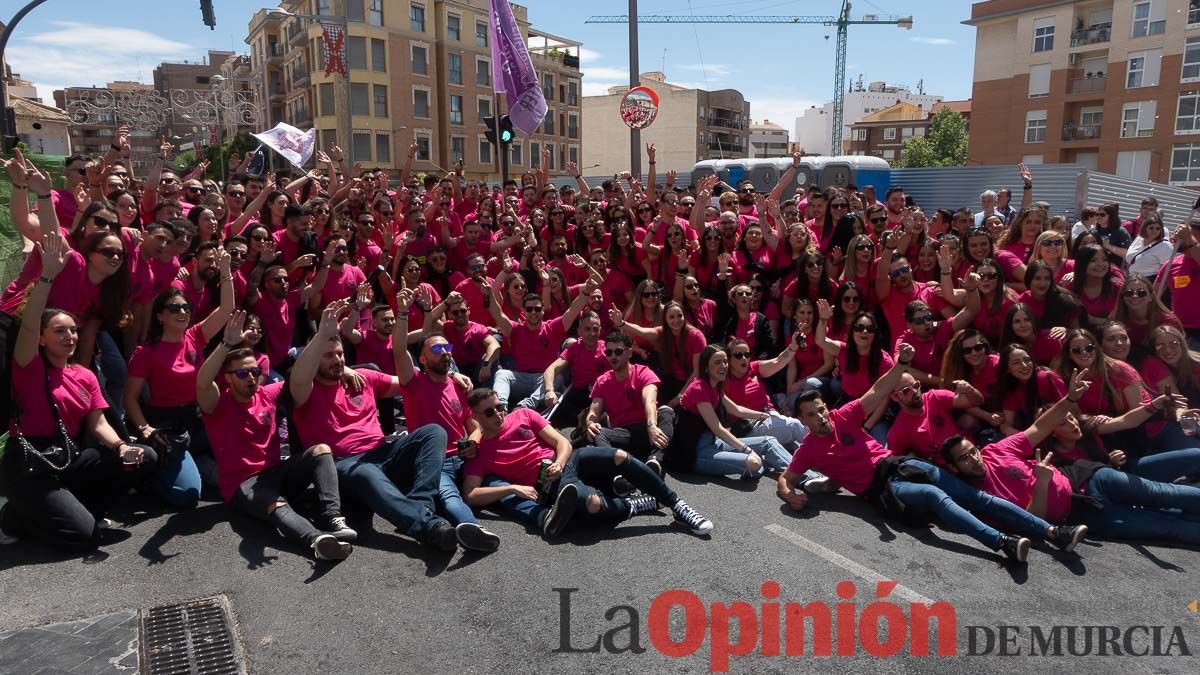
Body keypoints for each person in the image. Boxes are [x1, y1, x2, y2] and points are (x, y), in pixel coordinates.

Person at [777, 343, 1086, 563]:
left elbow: (878, 391)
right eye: (812, 415)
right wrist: (790, 494)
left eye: (821, 410)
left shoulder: (844, 414)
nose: (820, 418)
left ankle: (1053, 532)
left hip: (901, 464)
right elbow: (785, 479)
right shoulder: (808, 450)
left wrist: (899, 366)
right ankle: (1000, 542)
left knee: (976, 497)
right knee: (935, 496)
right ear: (802, 420)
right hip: (883, 486)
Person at [0, 232, 156, 552]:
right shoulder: (28, 365)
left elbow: (98, 424)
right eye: (59, 331)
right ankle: (16, 514)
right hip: (32, 464)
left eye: (73, 330)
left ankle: (74, 508)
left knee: (145, 457)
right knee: (83, 537)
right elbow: (29, 324)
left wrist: (121, 447)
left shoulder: (84, 374)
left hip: (67, 456)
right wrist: (47, 276)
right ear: (42, 339)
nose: (70, 336)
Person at [289, 301, 469, 554]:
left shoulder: (365, 379)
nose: (337, 360)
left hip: (382, 453)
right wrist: (321, 336)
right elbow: (299, 375)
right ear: (314, 359)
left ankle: (421, 502)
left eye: (340, 354)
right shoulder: (304, 392)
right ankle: (429, 527)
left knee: (433, 432)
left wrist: (451, 375)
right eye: (328, 356)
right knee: (366, 473)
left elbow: (413, 379)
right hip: (345, 465)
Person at [941, 378, 1200, 547]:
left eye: (972, 451)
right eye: (964, 459)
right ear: (954, 468)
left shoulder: (995, 450)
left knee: (1165, 493)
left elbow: (1040, 426)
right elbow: (1032, 521)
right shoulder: (977, 497)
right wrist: (1041, 483)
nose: (974, 459)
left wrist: (1070, 399)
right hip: (1079, 512)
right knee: (1163, 528)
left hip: (1087, 476)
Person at [196, 310, 355, 561]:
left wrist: (331, 350)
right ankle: (318, 541)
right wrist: (226, 343)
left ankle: (332, 517)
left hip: (277, 473)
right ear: (228, 378)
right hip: (245, 484)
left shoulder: (267, 394)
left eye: (254, 371)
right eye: (242, 373)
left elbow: (301, 375)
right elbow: (203, 382)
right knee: (276, 506)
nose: (251, 376)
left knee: (321, 450)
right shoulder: (217, 405)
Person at [461, 389, 714, 537]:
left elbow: (563, 443)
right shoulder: (479, 452)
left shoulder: (523, 415)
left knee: (619, 456)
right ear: (476, 417)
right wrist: (512, 489)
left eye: (500, 406)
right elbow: (471, 494)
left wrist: (560, 462)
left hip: (568, 460)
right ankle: (634, 505)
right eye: (490, 412)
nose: (499, 414)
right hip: (552, 484)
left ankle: (678, 506)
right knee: (592, 505)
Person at [124, 248, 235, 507]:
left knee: (241, 464)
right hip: (166, 426)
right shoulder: (145, 351)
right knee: (188, 496)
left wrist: (226, 271)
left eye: (186, 307)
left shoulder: (195, 336)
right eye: (174, 308)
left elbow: (227, 308)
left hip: (198, 418)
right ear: (160, 316)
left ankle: (197, 460)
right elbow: (129, 398)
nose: (182, 312)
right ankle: (147, 478)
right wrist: (146, 430)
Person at [392, 288, 501, 552]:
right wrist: (404, 312)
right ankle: (474, 529)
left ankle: (542, 510)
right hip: (436, 461)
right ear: (422, 358)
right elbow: (397, 350)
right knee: (450, 496)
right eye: (437, 349)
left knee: (501, 485)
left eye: (447, 348)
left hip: (465, 456)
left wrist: (474, 440)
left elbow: (472, 423)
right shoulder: (413, 382)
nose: (445, 353)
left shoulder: (457, 385)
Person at [667, 345, 795, 479]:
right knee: (753, 462)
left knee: (769, 442)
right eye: (717, 362)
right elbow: (717, 429)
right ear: (706, 367)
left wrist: (763, 415)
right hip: (696, 453)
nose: (723, 366)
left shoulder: (715, 386)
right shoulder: (698, 388)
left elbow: (736, 409)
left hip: (712, 443)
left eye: (725, 361)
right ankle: (762, 464)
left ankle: (807, 477)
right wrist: (747, 450)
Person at [489, 260, 593, 410]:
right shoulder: (516, 329)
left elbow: (573, 311)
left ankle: (525, 406)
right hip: (522, 378)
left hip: (544, 379)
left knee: (557, 378)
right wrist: (489, 295)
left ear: (543, 311)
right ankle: (500, 410)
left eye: (537, 309)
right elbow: (497, 314)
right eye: (529, 309)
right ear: (523, 311)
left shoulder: (553, 327)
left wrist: (586, 292)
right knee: (501, 375)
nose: (533, 312)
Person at [584, 331, 675, 474]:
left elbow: (649, 401)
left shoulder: (643, 373)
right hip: (623, 434)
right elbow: (593, 412)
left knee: (666, 411)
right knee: (597, 432)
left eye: (618, 352)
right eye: (609, 352)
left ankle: (655, 460)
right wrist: (590, 424)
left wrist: (651, 425)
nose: (613, 356)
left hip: (647, 431)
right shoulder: (602, 381)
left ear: (629, 353)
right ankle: (617, 471)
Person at [542, 311, 610, 427]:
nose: (592, 333)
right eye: (587, 329)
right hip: (578, 395)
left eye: (595, 329)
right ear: (579, 331)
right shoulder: (574, 349)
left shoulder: (608, 349)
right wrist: (549, 391)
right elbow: (551, 369)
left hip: (601, 396)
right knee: (554, 412)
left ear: (600, 330)